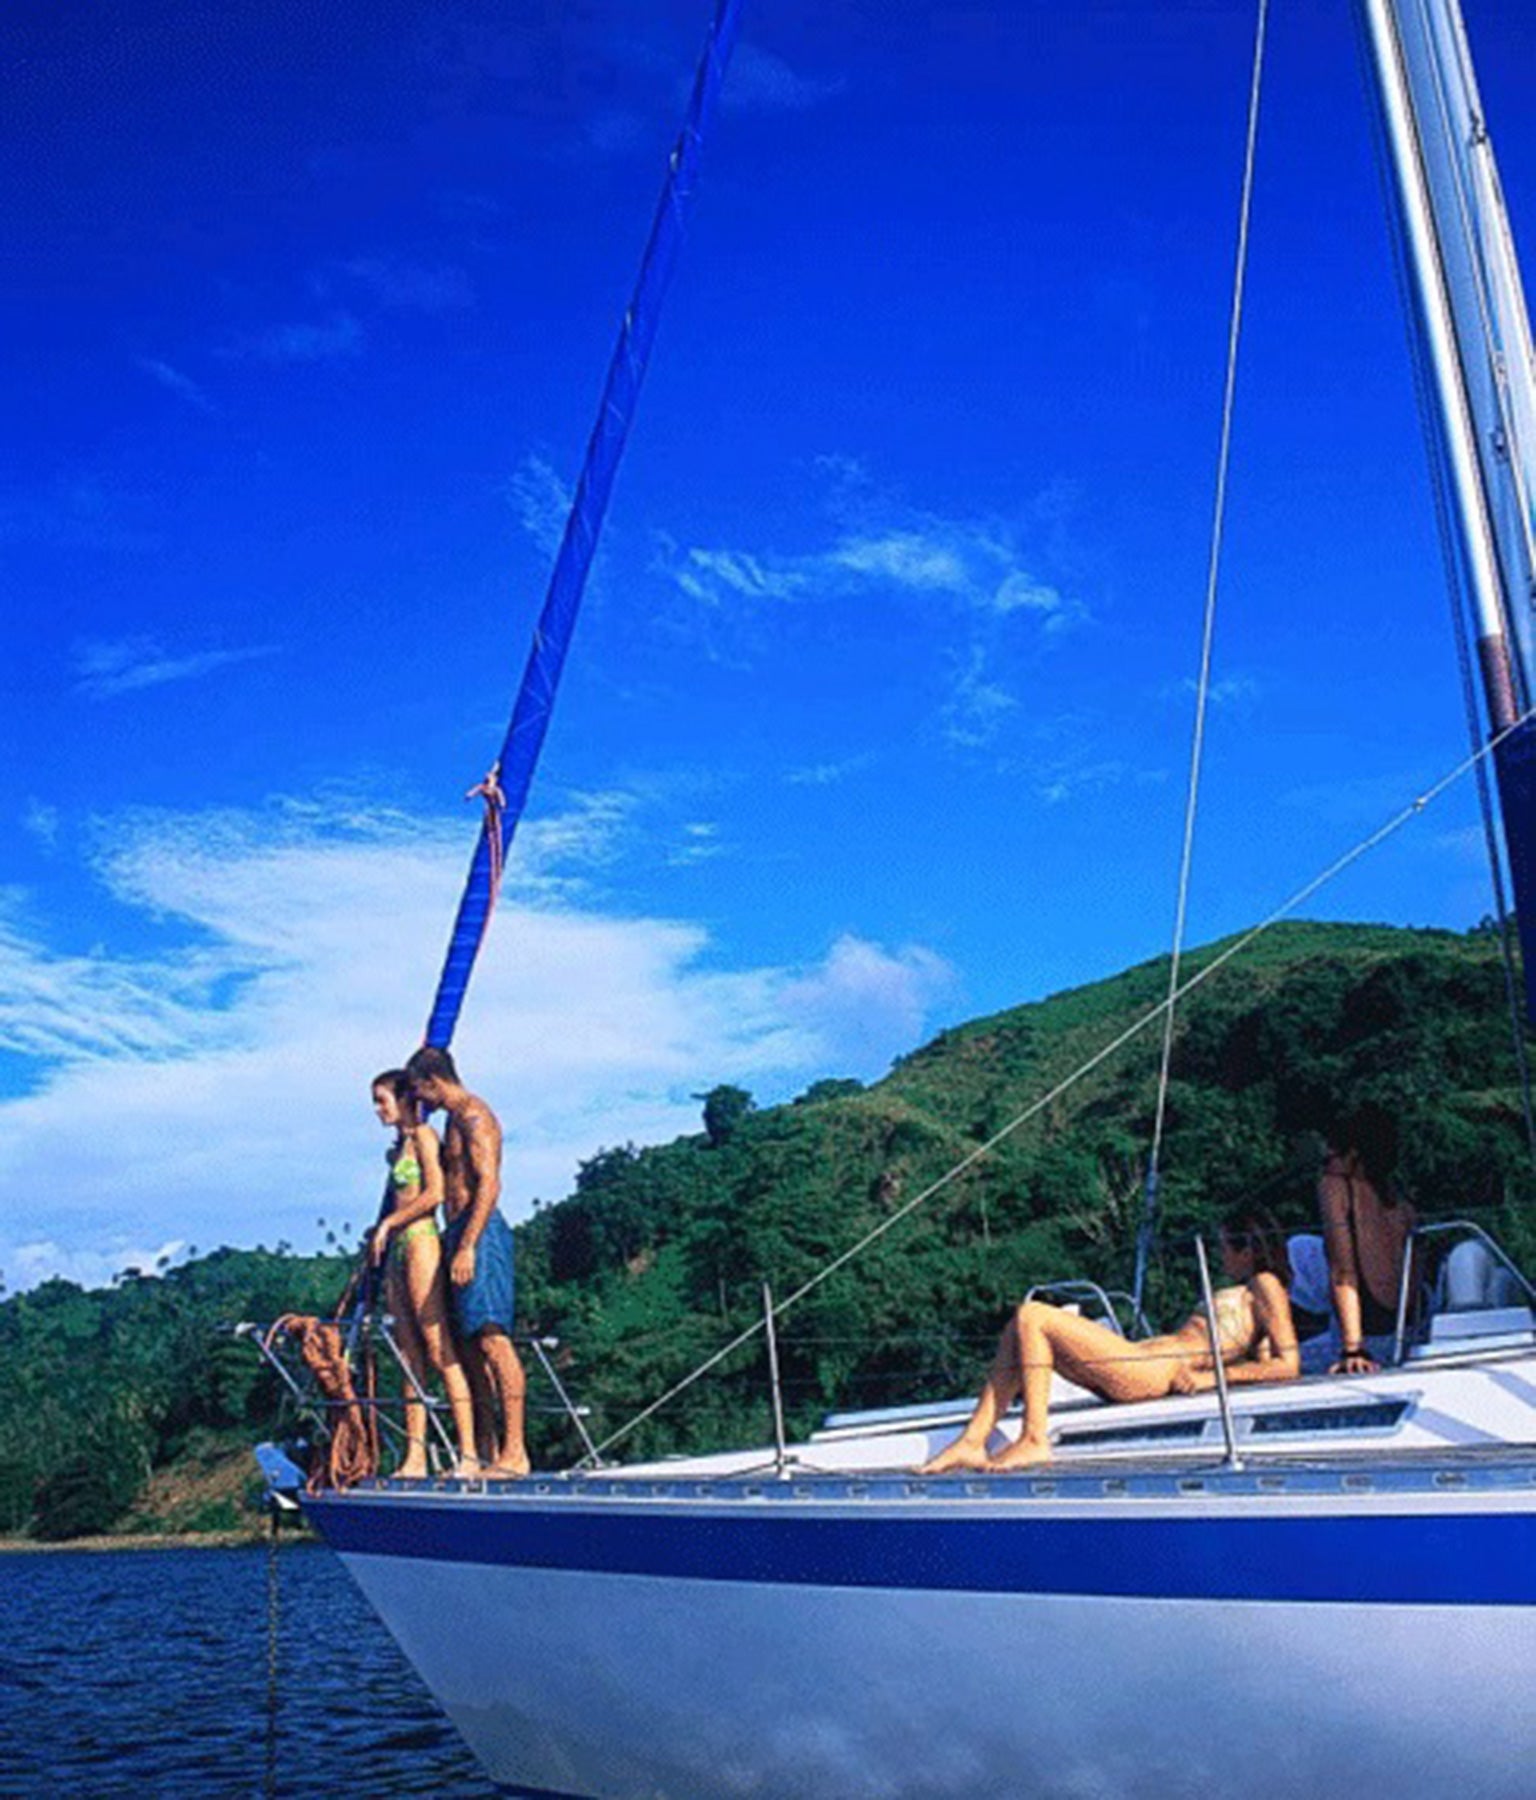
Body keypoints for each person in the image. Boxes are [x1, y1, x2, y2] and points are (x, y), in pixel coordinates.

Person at [919, 1208, 1300, 1473]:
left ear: (1247, 1248)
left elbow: (1288, 1365)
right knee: (1018, 1328)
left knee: (1033, 1314)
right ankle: (973, 1439)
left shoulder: (1266, 1285)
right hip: (1142, 1359)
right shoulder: (1248, 1290)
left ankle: (1034, 1437)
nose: (1219, 1257)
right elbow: (1259, 1359)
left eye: (1222, 1247)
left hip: (1153, 1372)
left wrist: (1209, 1379)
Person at [404, 1045, 529, 1476]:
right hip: (456, 1231)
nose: (422, 1102)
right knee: (471, 1347)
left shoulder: (475, 1117)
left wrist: (468, 1245)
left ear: (433, 1082)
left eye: (421, 1092)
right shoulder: (452, 1122)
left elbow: (490, 1184)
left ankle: (516, 1452)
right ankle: (486, 1452)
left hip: (481, 1232)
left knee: (494, 1339)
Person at [367, 1070, 479, 1477]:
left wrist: (389, 1223)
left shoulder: (426, 1139)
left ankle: (467, 1453)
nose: (378, 1110)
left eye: (383, 1100)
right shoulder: (400, 1147)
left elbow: (433, 1194)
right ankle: (415, 1456)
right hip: (398, 1247)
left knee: (437, 1346)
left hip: (420, 1241)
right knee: (408, 1355)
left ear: (403, 1100)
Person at [1316, 1103, 1416, 1374]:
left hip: (1367, 1334)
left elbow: (1343, 1273)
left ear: (1353, 1156)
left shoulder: (1336, 1188)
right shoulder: (1397, 1196)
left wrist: (1353, 1349)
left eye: (1328, 1158)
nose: (1325, 1165)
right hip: (1409, 1327)